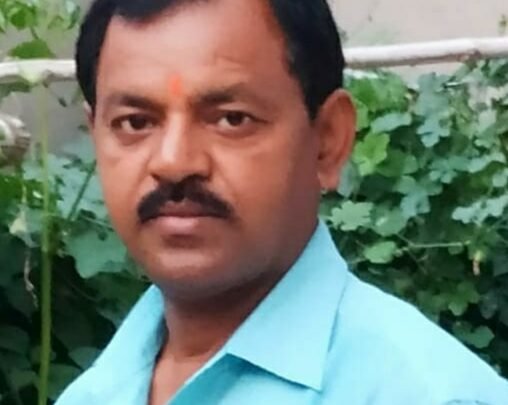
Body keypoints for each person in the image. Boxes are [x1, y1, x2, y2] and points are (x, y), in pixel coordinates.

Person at [57, 0, 508, 404]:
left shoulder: (428, 394)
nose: (173, 162)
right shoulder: (95, 394)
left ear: (328, 141)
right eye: (135, 122)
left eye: (231, 119)